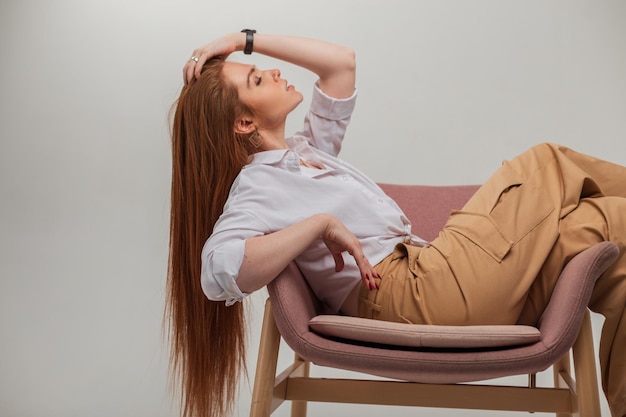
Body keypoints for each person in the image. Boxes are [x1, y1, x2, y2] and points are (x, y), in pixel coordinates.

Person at [165, 31, 626, 417]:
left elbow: (340, 65)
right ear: (244, 122)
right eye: (258, 77)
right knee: (545, 161)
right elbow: (217, 271)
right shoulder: (257, 187)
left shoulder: (307, 153)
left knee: (608, 224)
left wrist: (241, 40)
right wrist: (317, 224)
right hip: (409, 293)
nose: (276, 72)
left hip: (433, 276)